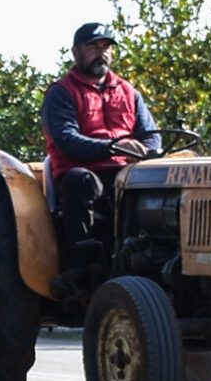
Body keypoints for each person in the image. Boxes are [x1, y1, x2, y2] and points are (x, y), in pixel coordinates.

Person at [43, 20, 160, 272]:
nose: (101, 52)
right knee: (80, 180)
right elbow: (67, 140)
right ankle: (82, 267)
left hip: (125, 173)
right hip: (85, 173)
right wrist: (115, 147)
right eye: (93, 46)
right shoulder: (61, 92)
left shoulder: (128, 92)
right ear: (76, 52)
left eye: (106, 46)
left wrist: (147, 152)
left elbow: (151, 136)